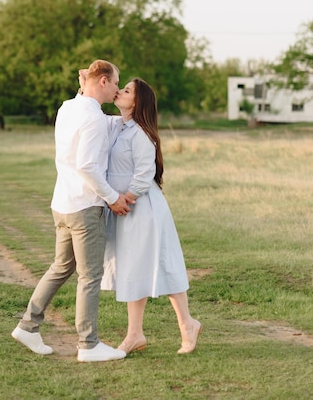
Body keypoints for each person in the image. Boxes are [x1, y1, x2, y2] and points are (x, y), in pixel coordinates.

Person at [12, 60, 133, 363]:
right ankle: (88, 345)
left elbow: (93, 110)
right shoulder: (93, 118)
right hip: (84, 206)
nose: (118, 88)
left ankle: (28, 325)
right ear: (103, 81)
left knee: (61, 267)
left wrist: (83, 85)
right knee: (90, 276)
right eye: (116, 82)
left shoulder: (69, 107)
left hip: (62, 205)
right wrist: (112, 197)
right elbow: (87, 165)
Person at [101, 77, 202, 355]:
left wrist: (124, 199)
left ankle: (187, 324)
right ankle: (135, 334)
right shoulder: (116, 126)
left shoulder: (141, 134)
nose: (120, 91)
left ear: (138, 101)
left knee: (163, 262)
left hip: (141, 207)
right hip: (124, 208)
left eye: (127, 90)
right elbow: (88, 106)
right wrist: (86, 82)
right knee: (133, 268)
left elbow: (144, 174)